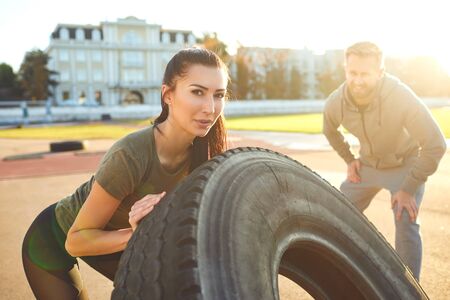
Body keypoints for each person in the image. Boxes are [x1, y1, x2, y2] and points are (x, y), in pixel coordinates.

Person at [22, 47, 230, 299]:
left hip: (120, 240)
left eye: (218, 95)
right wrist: (136, 233)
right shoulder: (131, 154)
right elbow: (75, 241)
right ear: (168, 95)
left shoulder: (206, 153)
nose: (210, 107)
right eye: (197, 92)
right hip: (54, 241)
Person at [323, 41, 446, 280]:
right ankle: (342, 273)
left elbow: (435, 144)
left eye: (365, 74)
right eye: (352, 73)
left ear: (380, 72)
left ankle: (409, 289)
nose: (357, 80)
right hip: (368, 165)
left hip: (405, 165)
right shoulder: (337, 101)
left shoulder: (399, 96)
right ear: (345, 69)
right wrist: (349, 159)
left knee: (405, 219)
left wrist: (409, 188)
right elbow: (329, 130)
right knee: (336, 210)